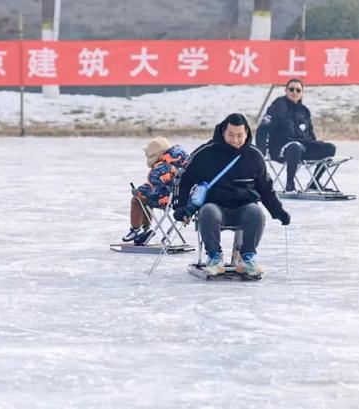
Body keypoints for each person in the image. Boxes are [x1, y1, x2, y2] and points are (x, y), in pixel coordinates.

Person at [173, 113, 290, 276]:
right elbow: (183, 179)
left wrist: (279, 212)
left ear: (247, 133)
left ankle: (247, 258)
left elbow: (266, 188)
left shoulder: (255, 156)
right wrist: (180, 207)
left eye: (240, 135)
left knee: (256, 212)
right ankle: (214, 257)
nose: (235, 140)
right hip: (215, 208)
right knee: (208, 211)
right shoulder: (205, 153)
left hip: (244, 208)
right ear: (223, 133)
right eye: (231, 135)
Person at [256, 78, 336, 192]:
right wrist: (261, 152)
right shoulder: (277, 107)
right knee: (295, 146)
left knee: (330, 148)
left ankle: (314, 183)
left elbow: (310, 134)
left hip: (302, 147)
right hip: (280, 148)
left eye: (298, 90)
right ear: (286, 90)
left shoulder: (304, 111)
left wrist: (315, 145)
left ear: (302, 93)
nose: (294, 92)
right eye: (291, 89)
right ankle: (290, 184)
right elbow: (262, 129)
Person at [122, 137, 188, 245]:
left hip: (166, 199)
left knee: (137, 200)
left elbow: (153, 187)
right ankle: (146, 230)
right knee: (145, 199)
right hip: (181, 198)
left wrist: (138, 191)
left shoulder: (161, 167)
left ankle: (135, 230)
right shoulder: (182, 160)